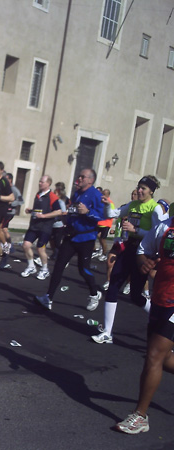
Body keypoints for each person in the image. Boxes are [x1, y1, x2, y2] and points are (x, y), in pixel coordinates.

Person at [114, 215, 174, 434]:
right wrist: (144, 263)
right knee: (164, 358)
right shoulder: (165, 227)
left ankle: (140, 416)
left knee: (153, 356)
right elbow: (142, 249)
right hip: (160, 298)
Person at [92, 176, 168, 344]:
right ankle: (107, 332)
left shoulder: (154, 209)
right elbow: (113, 214)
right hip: (129, 249)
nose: (139, 191)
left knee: (135, 296)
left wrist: (136, 229)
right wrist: (106, 204)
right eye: (138, 187)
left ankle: (159, 316)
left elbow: (158, 234)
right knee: (113, 286)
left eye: (143, 188)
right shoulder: (133, 205)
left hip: (143, 254)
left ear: (152, 191)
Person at [35, 168, 104, 311]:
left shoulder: (96, 195)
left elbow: (101, 216)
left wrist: (88, 212)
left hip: (86, 238)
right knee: (58, 266)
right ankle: (48, 297)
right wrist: (67, 216)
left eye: (82, 177)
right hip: (71, 236)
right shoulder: (77, 193)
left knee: (83, 270)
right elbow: (74, 211)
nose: (79, 179)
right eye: (79, 176)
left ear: (91, 180)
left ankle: (94, 293)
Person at [20, 175, 62, 280]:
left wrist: (44, 216)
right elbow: (40, 209)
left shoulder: (52, 196)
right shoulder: (38, 194)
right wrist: (31, 211)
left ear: (48, 183)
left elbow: (58, 211)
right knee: (25, 245)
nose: (39, 183)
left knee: (40, 249)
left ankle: (44, 269)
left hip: (45, 227)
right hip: (34, 226)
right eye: (39, 181)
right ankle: (31, 266)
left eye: (42, 182)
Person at [0, 173, 24, 255]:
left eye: (6, 179)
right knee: (4, 229)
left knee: (0, 229)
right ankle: (8, 246)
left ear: (10, 180)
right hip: (3, 211)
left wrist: (11, 203)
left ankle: (8, 246)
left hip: (9, 212)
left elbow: (21, 201)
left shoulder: (14, 189)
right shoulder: (5, 188)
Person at [48, 181, 69, 260]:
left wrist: (57, 216)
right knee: (51, 239)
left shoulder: (61, 201)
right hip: (52, 223)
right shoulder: (54, 200)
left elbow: (63, 212)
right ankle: (55, 253)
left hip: (59, 224)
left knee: (57, 241)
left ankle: (60, 255)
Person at [92, 188, 114, 261]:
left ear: (108, 195)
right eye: (102, 193)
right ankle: (95, 251)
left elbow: (111, 214)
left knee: (102, 239)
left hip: (106, 224)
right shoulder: (100, 201)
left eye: (104, 194)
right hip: (99, 223)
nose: (102, 195)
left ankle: (104, 254)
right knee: (94, 236)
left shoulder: (110, 203)